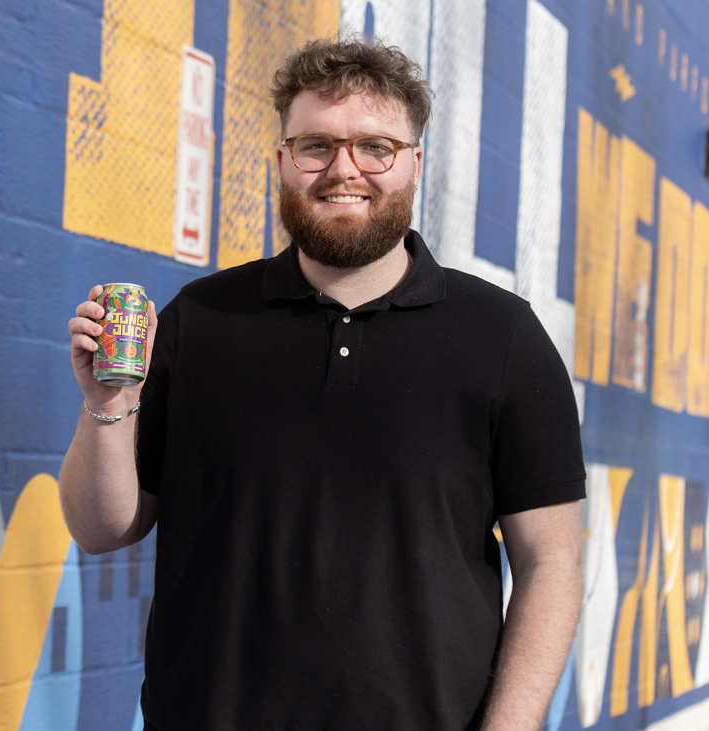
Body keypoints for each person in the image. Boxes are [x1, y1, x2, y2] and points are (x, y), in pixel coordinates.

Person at [61, 37, 585, 731]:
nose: (345, 169)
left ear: (415, 165)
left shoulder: (504, 337)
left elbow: (551, 562)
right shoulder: (199, 320)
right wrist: (109, 406)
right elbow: (101, 529)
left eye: (377, 147)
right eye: (316, 146)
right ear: (281, 160)